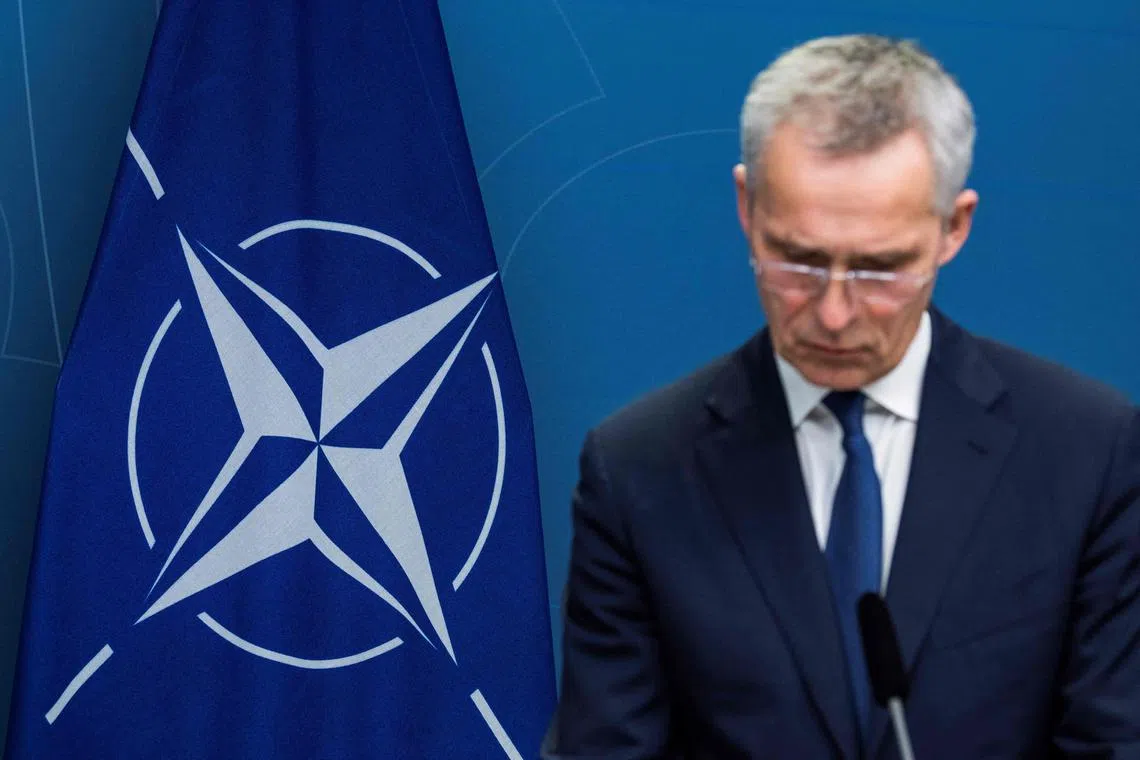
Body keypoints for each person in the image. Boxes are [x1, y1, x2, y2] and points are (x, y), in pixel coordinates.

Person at [542, 34, 1140, 759]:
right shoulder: (640, 469)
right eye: (797, 260)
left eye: (880, 270)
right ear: (746, 206)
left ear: (953, 228)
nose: (832, 314)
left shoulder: (1089, 453)